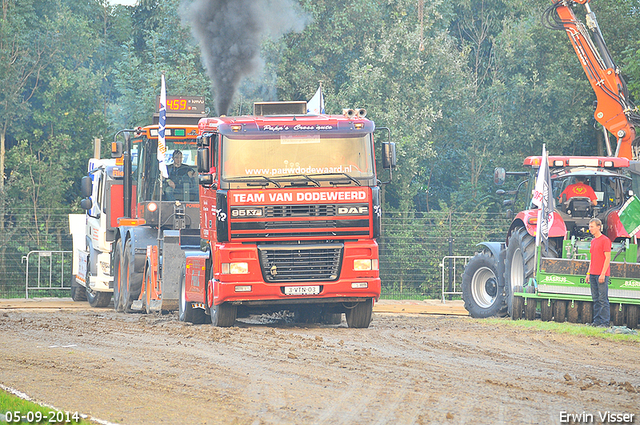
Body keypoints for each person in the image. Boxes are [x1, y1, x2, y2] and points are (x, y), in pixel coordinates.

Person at [587, 218, 611, 327]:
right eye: (589, 226)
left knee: (603, 299)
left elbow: (607, 258)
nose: (590, 229)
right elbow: (592, 259)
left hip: (601, 275)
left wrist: (603, 274)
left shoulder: (605, 240)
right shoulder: (593, 241)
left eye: (592, 226)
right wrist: (588, 273)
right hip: (593, 274)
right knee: (595, 299)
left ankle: (605, 322)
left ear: (598, 227)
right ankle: (596, 322)